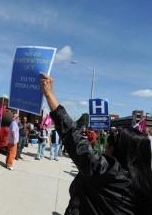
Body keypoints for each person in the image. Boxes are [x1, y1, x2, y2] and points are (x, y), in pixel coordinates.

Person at [40, 73, 152, 215]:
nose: (106, 147)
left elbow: (73, 137)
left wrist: (49, 95)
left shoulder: (107, 172)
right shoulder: (145, 184)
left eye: (110, 142)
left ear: (118, 150)